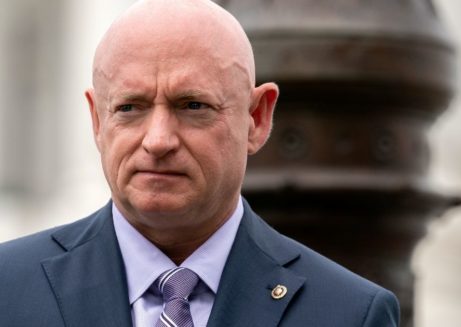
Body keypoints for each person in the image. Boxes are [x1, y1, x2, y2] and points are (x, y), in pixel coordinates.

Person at [0, 0, 400, 326]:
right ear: (98, 120)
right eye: (129, 107)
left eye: (192, 105)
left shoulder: (347, 314)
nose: (158, 140)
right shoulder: (8, 289)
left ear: (256, 118)